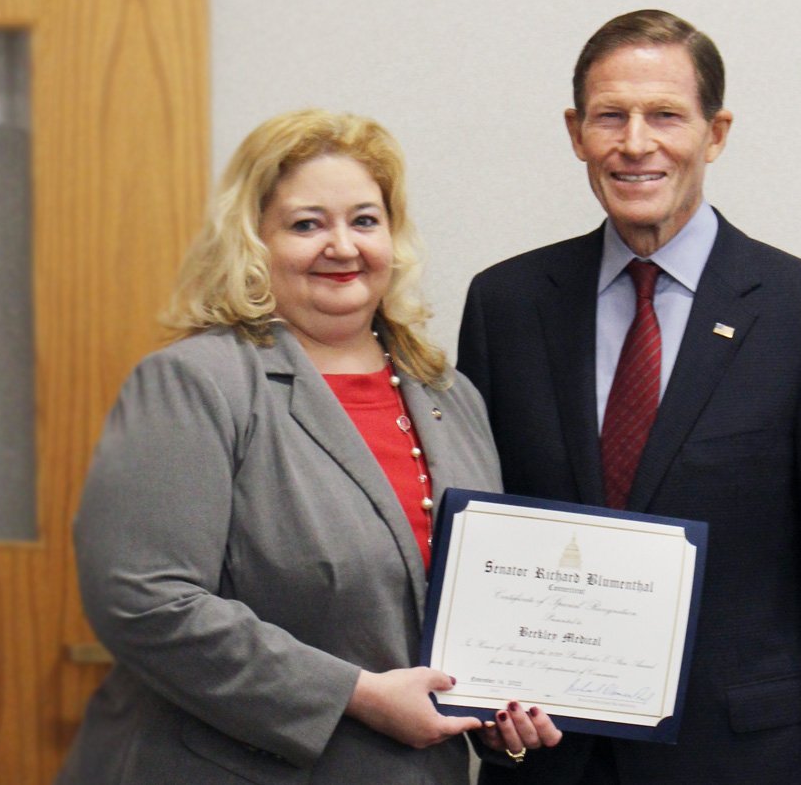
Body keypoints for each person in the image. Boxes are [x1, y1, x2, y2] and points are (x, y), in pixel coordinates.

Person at [458, 10, 801, 784]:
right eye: (611, 116)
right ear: (576, 132)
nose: (636, 143)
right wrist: (485, 714)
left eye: (666, 115)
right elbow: (485, 542)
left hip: (743, 762)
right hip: (553, 766)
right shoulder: (507, 306)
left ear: (716, 132)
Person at [56, 109, 560, 784]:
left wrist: (499, 716)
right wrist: (355, 694)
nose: (343, 247)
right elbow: (143, 601)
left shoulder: (448, 393)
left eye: (363, 220)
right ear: (253, 243)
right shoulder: (195, 383)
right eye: (306, 224)